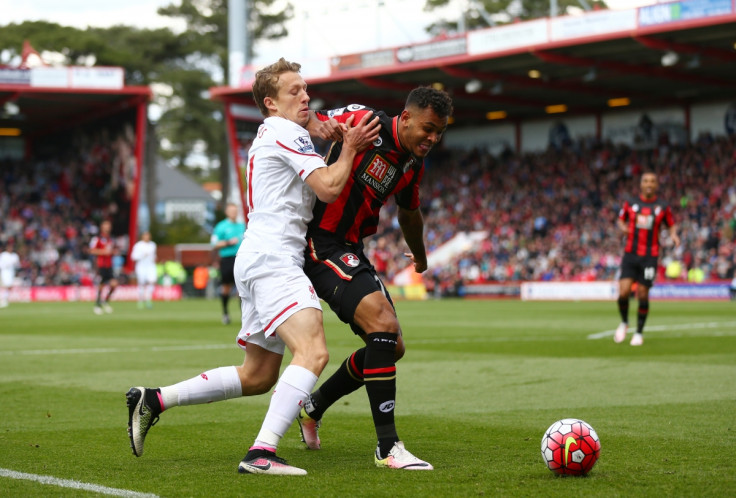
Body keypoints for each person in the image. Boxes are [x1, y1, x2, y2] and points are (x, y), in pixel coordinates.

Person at [125, 57, 381, 475]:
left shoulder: (279, 130)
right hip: (274, 257)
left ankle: (154, 399)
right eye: (294, 91)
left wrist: (322, 130)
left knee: (259, 375)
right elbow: (330, 188)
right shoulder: (283, 130)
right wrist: (350, 146)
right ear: (270, 103)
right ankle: (261, 453)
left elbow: (313, 145)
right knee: (313, 350)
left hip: (260, 255)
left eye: (305, 88)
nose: (306, 96)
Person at [296, 86, 453, 470]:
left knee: (392, 345)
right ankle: (387, 447)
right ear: (408, 116)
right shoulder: (366, 121)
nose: (432, 139)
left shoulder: (412, 163)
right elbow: (310, 120)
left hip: (350, 247)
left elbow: (410, 212)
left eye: (440, 133)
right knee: (382, 324)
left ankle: (312, 407)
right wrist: (330, 129)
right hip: (320, 242)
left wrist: (419, 255)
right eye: (428, 129)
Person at [614, 171, 680, 346]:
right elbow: (620, 220)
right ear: (641, 184)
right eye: (646, 181)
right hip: (630, 254)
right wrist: (623, 228)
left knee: (643, 294)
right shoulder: (630, 203)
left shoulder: (663, 207)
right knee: (623, 292)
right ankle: (624, 322)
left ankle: (639, 332)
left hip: (650, 256)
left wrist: (674, 235)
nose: (649, 183)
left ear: (657, 185)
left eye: (652, 181)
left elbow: (671, 225)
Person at [210, 202, 245, 324]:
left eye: (235, 211)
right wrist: (228, 242)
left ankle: (244, 317)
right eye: (231, 211)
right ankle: (225, 312)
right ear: (227, 212)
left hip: (241, 258)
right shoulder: (221, 226)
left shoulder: (242, 225)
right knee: (226, 287)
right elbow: (214, 244)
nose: (234, 213)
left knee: (242, 289)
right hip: (227, 259)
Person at [89, 220, 118, 315]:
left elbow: (111, 250)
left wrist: (113, 252)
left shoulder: (111, 239)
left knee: (114, 284)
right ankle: (97, 305)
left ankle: (105, 301)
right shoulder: (97, 238)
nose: (108, 227)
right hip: (101, 265)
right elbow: (91, 250)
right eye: (106, 225)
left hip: (109, 265)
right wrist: (103, 252)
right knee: (101, 285)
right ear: (102, 227)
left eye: (109, 225)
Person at [130, 231, 157, 309]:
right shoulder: (138, 245)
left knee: (152, 281)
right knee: (141, 283)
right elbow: (133, 257)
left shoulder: (153, 245)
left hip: (151, 266)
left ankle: (149, 299)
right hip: (141, 266)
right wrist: (142, 255)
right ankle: (141, 300)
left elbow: (154, 255)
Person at [0, 241, 21, 308]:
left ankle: (4, 299)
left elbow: (18, 265)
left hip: (11, 273)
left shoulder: (15, 256)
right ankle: (3, 300)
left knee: (9, 287)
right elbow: (1, 264)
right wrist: (8, 264)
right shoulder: (3, 255)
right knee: (5, 286)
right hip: (4, 272)